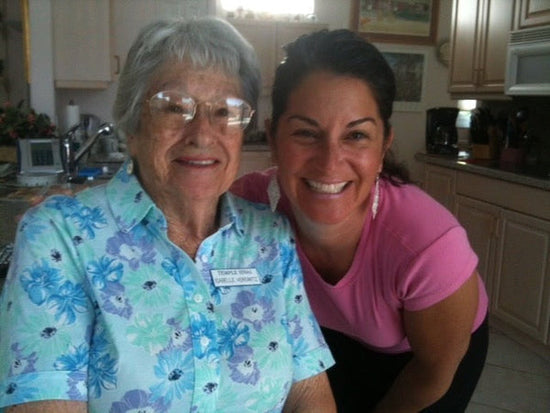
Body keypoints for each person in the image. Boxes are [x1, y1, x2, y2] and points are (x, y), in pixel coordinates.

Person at [0, 18, 336, 413]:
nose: (202, 134)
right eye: (175, 108)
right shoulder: (59, 236)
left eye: (225, 111)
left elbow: (310, 394)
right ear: (133, 125)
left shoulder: (269, 238)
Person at [232, 28, 489, 412]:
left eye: (356, 136)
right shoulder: (246, 207)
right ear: (272, 137)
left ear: (384, 144)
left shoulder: (429, 246)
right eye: (306, 133)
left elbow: (433, 374)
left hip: (423, 357)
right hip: (331, 338)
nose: (330, 162)